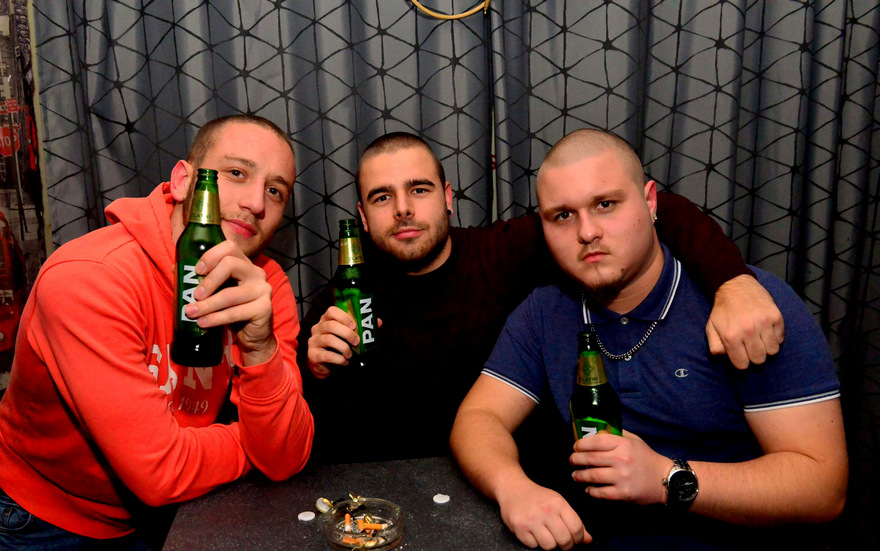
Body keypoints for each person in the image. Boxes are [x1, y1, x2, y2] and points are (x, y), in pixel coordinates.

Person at [449, 129, 847, 551]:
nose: (587, 231)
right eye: (563, 216)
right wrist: (514, 488)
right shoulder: (546, 312)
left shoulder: (747, 309)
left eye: (606, 204)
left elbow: (822, 487)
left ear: (651, 202)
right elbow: (479, 417)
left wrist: (666, 478)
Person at [0, 115, 314, 551]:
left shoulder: (264, 287)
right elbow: (162, 470)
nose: (256, 202)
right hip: (48, 517)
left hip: (163, 517)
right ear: (183, 181)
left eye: (276, 190)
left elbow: (287, 455)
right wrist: (250, 444)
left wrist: (259, 347)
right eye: (235, 174)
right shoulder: (91, 278)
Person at [302, 132, 784, 463]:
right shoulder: (339, 301)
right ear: (362, 217)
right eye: (382, 197)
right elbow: (312, 441)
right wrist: (318, 374)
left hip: (508, 489)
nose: (404, 209)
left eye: (419, 189)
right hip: (386, 502)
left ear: (447, 197)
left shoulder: (506, 252)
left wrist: (732, 281)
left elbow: (646, 210)